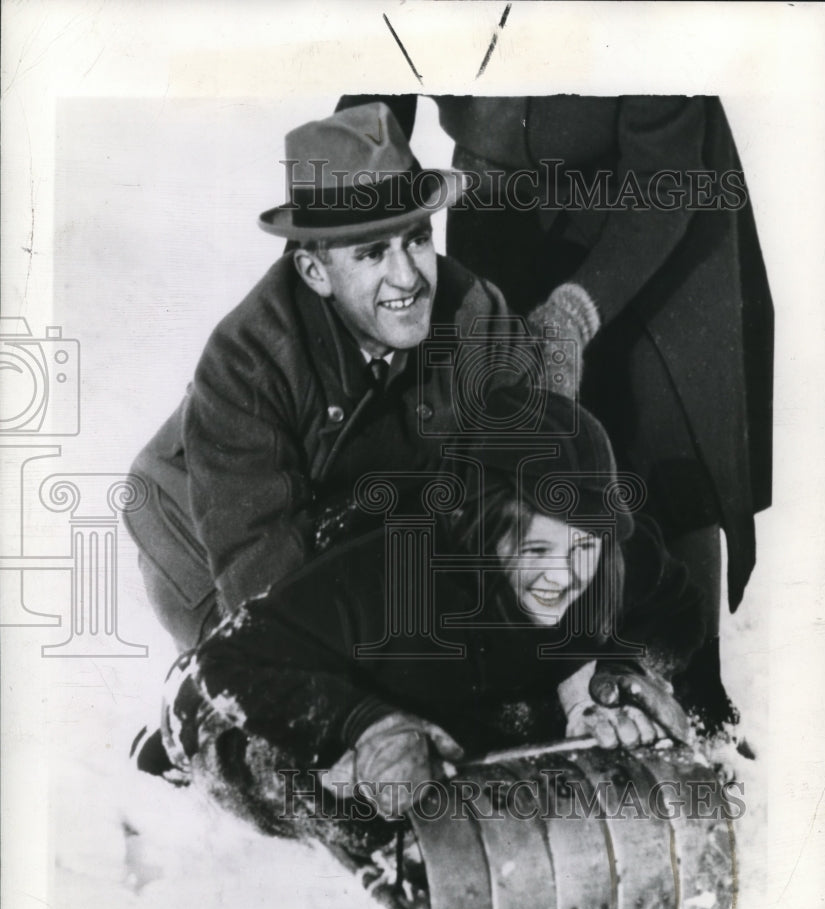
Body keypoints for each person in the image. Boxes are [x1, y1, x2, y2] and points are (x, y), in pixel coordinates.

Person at [336, 94, 774, 730]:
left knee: (667, 439)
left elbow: (663, 175)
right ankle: (535, 682)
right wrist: (339, 242)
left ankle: (694, 686)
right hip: (499, 196)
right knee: (509, 440)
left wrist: (574, 314)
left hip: (653, 199)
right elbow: (372, 103)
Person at [150, 388, 703, 840]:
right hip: (276, 659)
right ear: (484, 529)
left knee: (515, 744)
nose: (562, 576)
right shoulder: (394, 576)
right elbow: (220, 666)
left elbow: (677, 610)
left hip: (464, 682)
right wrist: (362, 728)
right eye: (537, 550)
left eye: (583, 547)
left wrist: (620, 675)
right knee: (325, 791)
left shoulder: (614, 560)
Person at [124, 101, 529, 665]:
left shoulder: (474, 313)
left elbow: (537, 482)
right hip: (202, 528)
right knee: (264, 686)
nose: (408, 277)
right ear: (315, 271)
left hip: (346, 513)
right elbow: (263, 573)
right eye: (371, 253)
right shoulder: (248, 360)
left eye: (415, 238)